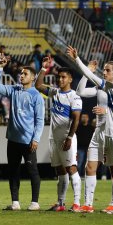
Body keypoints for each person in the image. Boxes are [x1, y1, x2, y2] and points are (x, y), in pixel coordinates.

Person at [68, 46, 113, 214]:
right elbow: (80, 90)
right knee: (96, 167)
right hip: (101, 132)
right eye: (108, 69)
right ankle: (91, 203)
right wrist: (80, 62)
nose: (109, 72)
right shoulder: (104, 87)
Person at [0, 56, 44, 211]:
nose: (21, 75)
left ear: (33, 78)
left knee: (32, 170)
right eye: (21, 73)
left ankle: (35, 202)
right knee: (13, 171)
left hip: (28, 141)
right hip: (12, 139)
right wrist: (0, 68)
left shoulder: (36, 96)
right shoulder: (14, 90)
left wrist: (36, 139)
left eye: (25, 74)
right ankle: (15, 202)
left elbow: (39, 120)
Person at [35, 57, 82, 212]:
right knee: (60, 170)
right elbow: (38, 85)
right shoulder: (55, 92)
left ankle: (76, 203)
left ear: (70, 79)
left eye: (63, 77)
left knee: (71, 169)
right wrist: (43, 68)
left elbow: (76, 119)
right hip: (53, 138)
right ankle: (61, 203)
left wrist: (69, 137)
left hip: (66, 138)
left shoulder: (74, 97)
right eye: (59, 77)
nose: (60, 79)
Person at [73, 57, 113, 213]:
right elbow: (80, 91)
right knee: (90, 167)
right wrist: (87, 73)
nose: (104, 72)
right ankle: (88, 204)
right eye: (104, 69)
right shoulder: (101, 87)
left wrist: (106, 111)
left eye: (108, 70)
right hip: (98, 130)